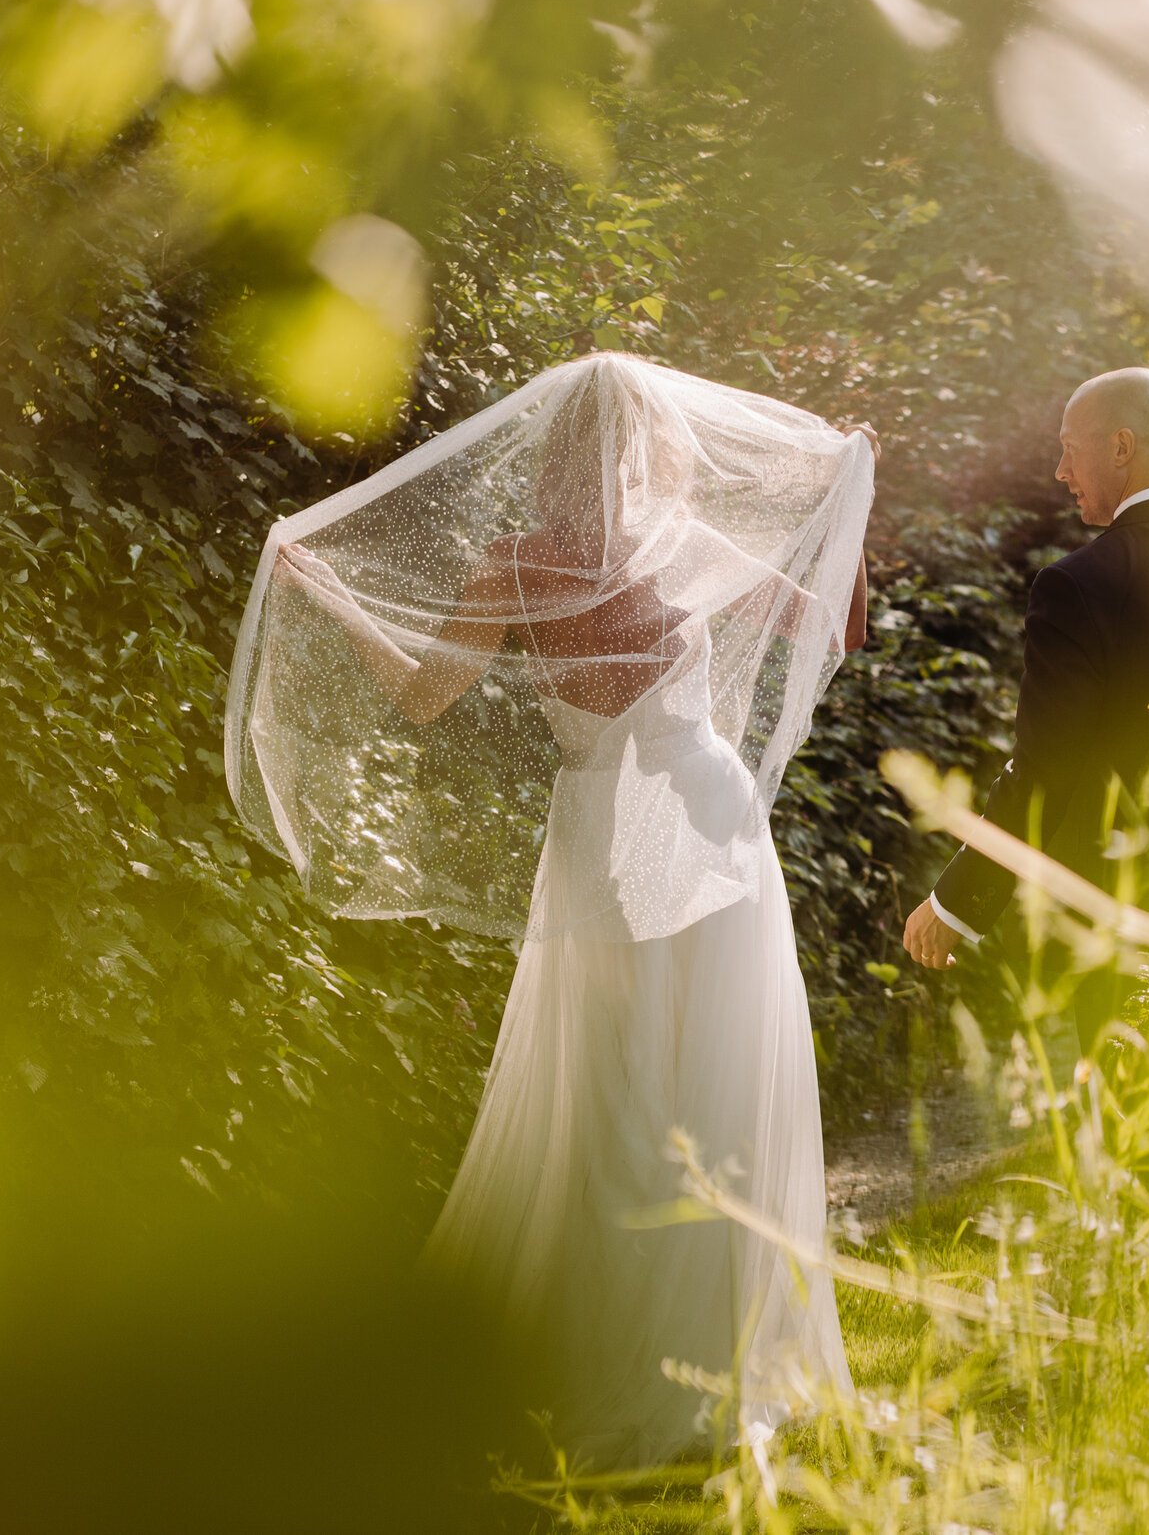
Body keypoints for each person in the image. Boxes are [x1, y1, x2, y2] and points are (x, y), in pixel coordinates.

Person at [229, 353, 873, 1468]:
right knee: (716, 1073)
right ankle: (708, 1351)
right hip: (711, 824)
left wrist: (329, 590)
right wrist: (854, 491)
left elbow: (425, 695)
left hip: (607, 840)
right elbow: (836, 632)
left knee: (611, 1084)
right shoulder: (691, 546)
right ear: (652, 441)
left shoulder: (518, 566)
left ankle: (600, 1345)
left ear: (554, 450)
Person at [901, 367, 1149, 1046]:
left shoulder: (1077, 585)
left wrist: (955, 902)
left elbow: (1042, 770)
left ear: (1121, 446)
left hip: (1132, 918)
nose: (1060, 470)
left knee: (1134, 1133)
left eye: (1069, 447)